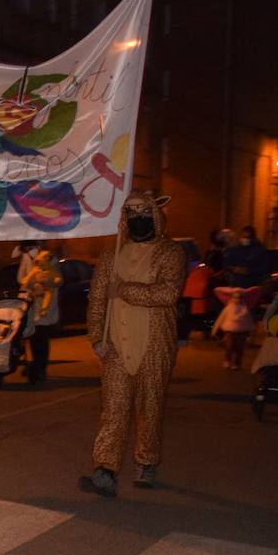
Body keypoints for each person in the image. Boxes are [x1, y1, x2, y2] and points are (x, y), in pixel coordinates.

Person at [79, 192, 187, 496]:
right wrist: (97, 338)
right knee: (113, 410)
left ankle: (146, 461)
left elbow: (167, 294)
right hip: (115, 346)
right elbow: (98, 300)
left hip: (153, 345)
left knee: (149, 407)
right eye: (131, 213)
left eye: (143, 212)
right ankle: (105, 469)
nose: (138, 218)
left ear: (156, 214)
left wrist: (124, 289)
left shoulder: (171, 253)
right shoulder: (111, 254)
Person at [20, 249, 63, 384]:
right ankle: (36, 366)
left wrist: (44, 284)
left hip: (46, 312)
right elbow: (26, 284)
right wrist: (33, 286)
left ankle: (41, 367)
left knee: (42, 340)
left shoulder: (53, 270)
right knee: (34, 339)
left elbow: (57, 282)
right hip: (34, 309)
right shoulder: (35, 270)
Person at [212, 286, 259, 370]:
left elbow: (249, 320)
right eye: (235, 297)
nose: (237, 299)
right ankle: (227, 360)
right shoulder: (228, 308)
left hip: (242, 332)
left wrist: (251, 331)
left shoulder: (245, 309)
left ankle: (237, 363)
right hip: (230, 332)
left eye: (239, 297)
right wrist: (215, 329)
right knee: (228, 347)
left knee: (239, 349)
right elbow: (221, 318)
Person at [224, 225, 270, 289]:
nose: (245, 239)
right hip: (237, 284)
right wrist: (234, 269)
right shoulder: (236, 248)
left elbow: (264, 268)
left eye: (248, 237)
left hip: (253, 283)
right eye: (243, 237)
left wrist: (249, 271)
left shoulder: (260, 249)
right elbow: (228, 263)